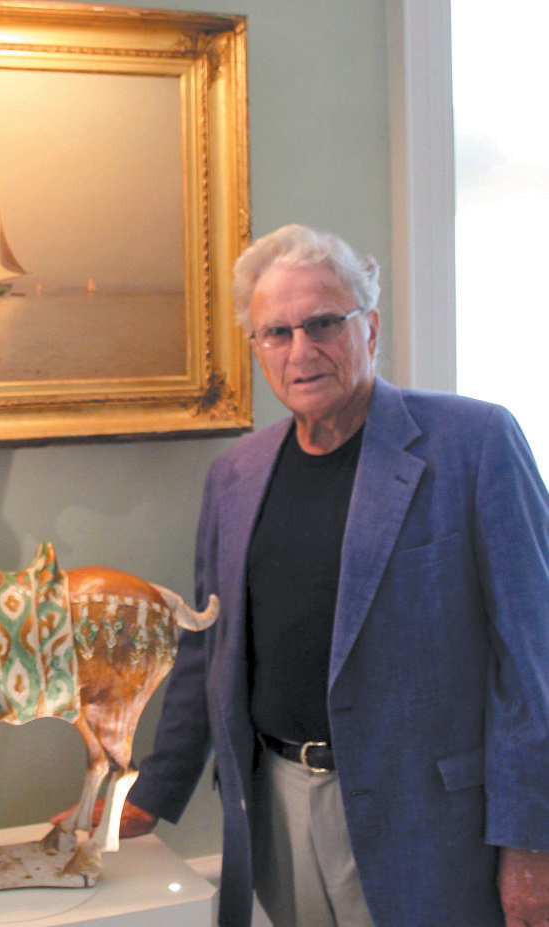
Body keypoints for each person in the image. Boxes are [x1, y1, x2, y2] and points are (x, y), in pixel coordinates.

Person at [103, 225, 549, 927]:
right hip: (276, 811)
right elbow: (206, 653)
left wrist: (532, 840)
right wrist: (149, 791)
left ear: (369, 327)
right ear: (258, 350)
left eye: (322, 324)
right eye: (276, 332)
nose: (300, 350)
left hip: (430, 823)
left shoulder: (476, 442)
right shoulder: (235, 475)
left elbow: (535, 658)